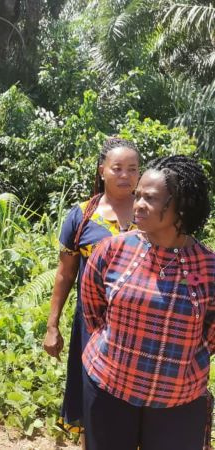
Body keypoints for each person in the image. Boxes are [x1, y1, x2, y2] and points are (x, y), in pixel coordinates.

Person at [81, 155, 214, 450]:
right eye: (138, 195)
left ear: (181, 207)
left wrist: (179, 367)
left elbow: (211, 334)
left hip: (177, 402)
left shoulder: (208, 268)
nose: (138, 203)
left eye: (150, 199)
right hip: (109, 391)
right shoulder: (113, 250)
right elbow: (92, 308)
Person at [43, 137, 140, 440]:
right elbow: (64, 274)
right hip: (92, 327)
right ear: (102, 171)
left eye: (132, 169)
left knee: (137, 401)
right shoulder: (82, 216)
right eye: (117, 168)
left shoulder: (151, 213)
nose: (125, 175)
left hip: (141, 329)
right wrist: (52, 325)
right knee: (94, 400)